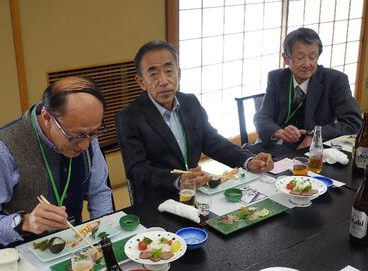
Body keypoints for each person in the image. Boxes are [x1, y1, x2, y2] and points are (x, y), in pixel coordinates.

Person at [115, 40, 274, 204]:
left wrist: (248, 161)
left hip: (199, 192)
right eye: (153, 74)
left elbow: (212, 141)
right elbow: (137, 170)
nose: (163, 81)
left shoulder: (189, 102)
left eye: (169, 71)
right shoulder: (129, 117)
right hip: (158, 201)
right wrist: (179, 180)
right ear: (141, 81)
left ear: (179, 73)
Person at [0, 76, 113, 250]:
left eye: (94, 132)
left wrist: (105, 239)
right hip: (20, 254)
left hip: (73, 246)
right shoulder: (1, 149)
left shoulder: (85, 132)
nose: (85, 144)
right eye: (76, 136)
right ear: (47, 117)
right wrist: (24, 222)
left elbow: (99, 193)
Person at [248, 27, 362, 157]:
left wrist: (314, 135)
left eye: (312, 57)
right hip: (273, 147)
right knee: (242, 163)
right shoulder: (276, 78)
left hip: (310, 151)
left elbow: (353, 123)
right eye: (300, 57)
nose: (307, 64)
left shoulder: (335, 80)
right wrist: (279, 132)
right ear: (286, 58)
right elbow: (261, 117)